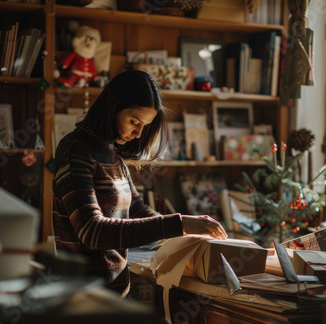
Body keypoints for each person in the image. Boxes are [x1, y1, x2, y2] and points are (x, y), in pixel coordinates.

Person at [52, 70, 227, 297]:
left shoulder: (111, 154)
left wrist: (186, 234)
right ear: (111, 108)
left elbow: (137, 211)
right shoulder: (75, 150)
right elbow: (92, 231)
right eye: (134, 121)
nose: (137, 133)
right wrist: (180, 223)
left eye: (145, 125)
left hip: (112, 294)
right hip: (81, 297)